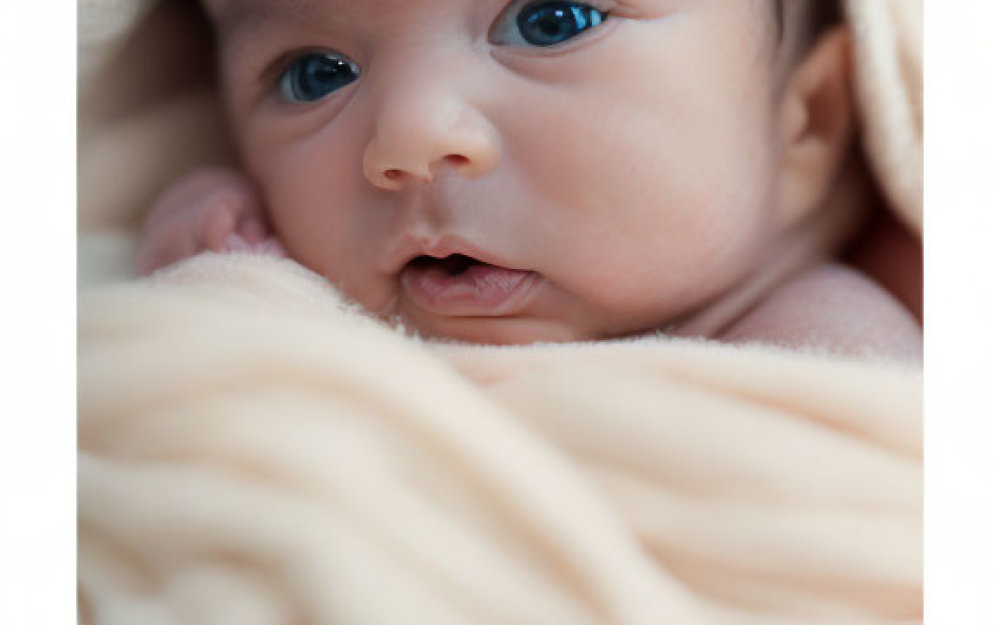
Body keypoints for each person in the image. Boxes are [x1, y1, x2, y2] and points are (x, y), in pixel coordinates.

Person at [137, 0, 922, 360]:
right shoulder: (354, 325)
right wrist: (222, 295)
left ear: (807, 121)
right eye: (314, 75)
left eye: (553, 22)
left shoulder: (823, 359)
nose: (407, 135)